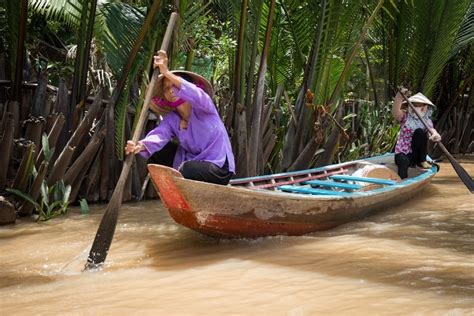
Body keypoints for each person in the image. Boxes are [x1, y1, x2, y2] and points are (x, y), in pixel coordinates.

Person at [125, 50, 235, 185]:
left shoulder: (204, 106)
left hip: (217, 166)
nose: (171, 90)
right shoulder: (172, 118)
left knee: (188, 168)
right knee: (157, 153)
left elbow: (197, 94)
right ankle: (174, 191)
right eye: (166, 88)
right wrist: (139, 146)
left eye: (174, 85)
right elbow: (159, 135)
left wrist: (166, 73)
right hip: (188, 164)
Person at [392, 88, 442, 179]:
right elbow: (395, 112)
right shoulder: (405, 117)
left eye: (420, 105)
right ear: (409, 106)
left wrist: (435, 135)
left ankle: (422, 161)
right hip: (403, 153)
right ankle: (402, 183)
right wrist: (399, 97)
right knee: (403, 162)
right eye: (414, 105)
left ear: (426, 107)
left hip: (416, 155)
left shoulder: (427, 121)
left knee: (420, 132)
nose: (417, 108)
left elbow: (432, 131)